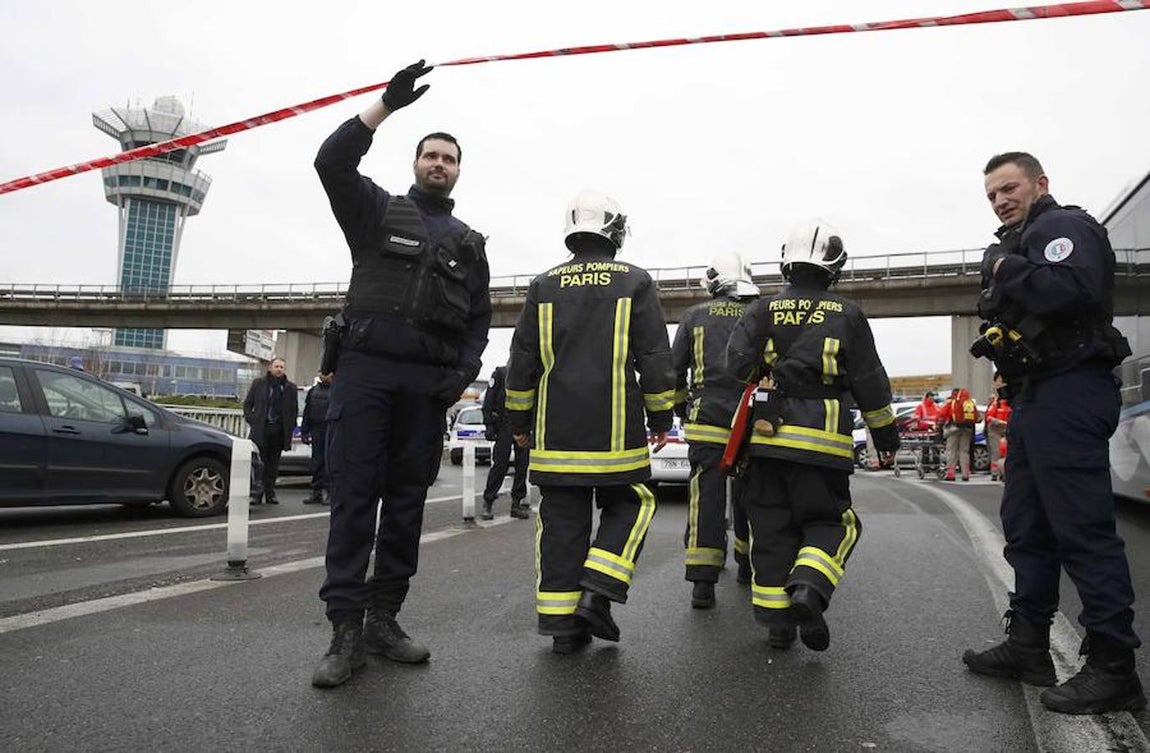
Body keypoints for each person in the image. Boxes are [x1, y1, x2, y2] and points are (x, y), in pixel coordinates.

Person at [310, 60, 492, 688]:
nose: (438, 164)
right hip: (363, 376)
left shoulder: (469, 243)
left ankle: (385, 620)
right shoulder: (374, 212)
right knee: (354, 502)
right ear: (415, 163)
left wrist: (458, 379)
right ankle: (344, 632)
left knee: (407, 506)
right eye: (430, 155)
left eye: (448, 158)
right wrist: (383, 106)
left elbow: (478, 325)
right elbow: (329, 163)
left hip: (425, 389)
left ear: (458, 171)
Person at [962, 151, 1141, 715]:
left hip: (1071, 389)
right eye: (991, 195)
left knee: (1082, 531)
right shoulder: (1023, 240)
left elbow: (1073, 290)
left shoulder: (1064, 226)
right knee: (1027, 526)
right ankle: (1028, 646)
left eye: (1009, 188)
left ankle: (1115, 668)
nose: (1000, 200)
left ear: (1039, 183)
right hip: (1037, 395)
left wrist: (1001, 268)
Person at [505, 190, 674, 655]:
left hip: (556, 431)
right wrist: (661, 414)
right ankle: (598, 590)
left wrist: (519, 417)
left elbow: (522, 360)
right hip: (615, 429)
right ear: (616, 231)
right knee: (633, 503)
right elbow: (654, 356)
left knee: (560, 521)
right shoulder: (635, 282)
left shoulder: (543, 285)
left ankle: (563, 627)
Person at [727, 220, 898, 652]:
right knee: (832, 522)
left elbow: (737, 367)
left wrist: (768, 372)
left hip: (767, 439)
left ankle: (777, 626)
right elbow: (870, 382)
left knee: (770, 529)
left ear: (787, 262)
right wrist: (886, 438)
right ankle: (808, 585)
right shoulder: (849, 315)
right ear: (834, 267)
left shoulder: (760, 309)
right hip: (823, 443)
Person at [671, 252, 760, 608]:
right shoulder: (759, 314)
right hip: (749, 422)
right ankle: (747, 565)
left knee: (705, 497)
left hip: (706, 419)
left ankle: (702, 585)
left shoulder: (694, 316)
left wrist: (681, 408)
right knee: (749, 494)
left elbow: (674, 371)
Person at [243, 356, 298, 506]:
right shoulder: (259, 384)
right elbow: (248, 404)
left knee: (273, 464)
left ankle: (270, 493)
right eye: (276, 366)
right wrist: (253, 420)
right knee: (259, 463)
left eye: (281, 367)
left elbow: (293, 410)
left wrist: (290, 426)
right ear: (270, 368)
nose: (279, 369)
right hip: (261, 429)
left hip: (279, 430)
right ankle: (256, 494)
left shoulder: (290, 388)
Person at [481, 365, 530, 520]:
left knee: (522, 465)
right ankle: (488, 502)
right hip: (504, 424)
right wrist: (489, 425)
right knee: (500, 464)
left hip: (523, 426)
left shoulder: (528, 374)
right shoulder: (501, 373)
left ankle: (516, 503)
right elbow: (489, 401)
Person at [301, 372, 333, 505]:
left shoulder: (338, 390)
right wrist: (305, 430)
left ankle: (330, 492)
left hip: (332, 429)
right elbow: (307, 411)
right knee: (317, 462)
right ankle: (316, 492)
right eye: (322, 373)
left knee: (330, 462)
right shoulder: (313, 391)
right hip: (317, 429)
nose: (324, 376)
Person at [936, 386, 979, 481]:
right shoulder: (970, 402)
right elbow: (977, 417)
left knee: (952, 451)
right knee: (964, 452)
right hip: (967, 429)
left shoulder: (951, 402)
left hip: (953, 429)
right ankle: (965, 474)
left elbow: (941, 414)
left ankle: (951, 474)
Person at [984, 371, 1011, 482]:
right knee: (996, 452)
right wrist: (1000, 422)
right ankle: (995, 473)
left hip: (1006, 430)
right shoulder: (996, 403)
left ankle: (1004, 472)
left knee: (1007, 452)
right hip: (995, 430)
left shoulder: (1010, 403)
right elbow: (989, 417)